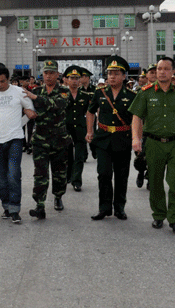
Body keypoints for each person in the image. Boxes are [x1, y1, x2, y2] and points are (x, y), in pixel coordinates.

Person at [129, 57, 175, 235]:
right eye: (159, 69)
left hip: (174, 144)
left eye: (166, 69)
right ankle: (158, 214)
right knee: (155, 181)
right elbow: (136, 117)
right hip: (154, 143)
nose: (162, 72)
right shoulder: (145, 92)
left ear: (173, 72)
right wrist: (136, 138)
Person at [0, 63, 36, 224]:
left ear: (9, 80)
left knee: (13, 175)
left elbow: (31, 113)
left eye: (3, 82)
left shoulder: (19, 92)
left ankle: (14, 208)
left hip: (15, 140)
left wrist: (18, 125)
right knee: (0, 178)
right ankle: (5, 205)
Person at [86, 56, 136, 221]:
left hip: (123, 139)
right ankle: (104, 208)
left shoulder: (131, 95)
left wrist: (137, 138)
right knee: (104, 174)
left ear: (124, 76)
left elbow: (137, 118)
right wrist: (90, 131)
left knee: (122, 176)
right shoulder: (100, 93)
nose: (112, 76)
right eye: (109, 73)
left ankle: (119, 208)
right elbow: (90, 112)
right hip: (103, 139)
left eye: (116, 73)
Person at [22, 60, 71, 220]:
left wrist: (35, 98)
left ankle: (58, 196)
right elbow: (26, 106)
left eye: (52, 73)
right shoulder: (36, 90)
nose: (48, 76)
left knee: (59, 172)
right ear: (42, 75)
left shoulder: (64, 91)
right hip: (40, 140)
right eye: (46, 73)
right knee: (40, 174)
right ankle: (40, 205)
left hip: (59, 140)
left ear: (58, 75)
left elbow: (57, 105)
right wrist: (27, 109)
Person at [63, 65, 93, 193]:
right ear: (66, 80)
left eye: (76, 78)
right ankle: (68, 176)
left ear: (80, 80)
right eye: (72, 78)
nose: (74, 81)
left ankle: (77, 181)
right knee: (68, 154)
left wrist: (89, 131)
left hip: (81, 128)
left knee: (79, 156)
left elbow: (89, 113)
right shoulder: (62, 94)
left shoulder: (85, 96)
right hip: (66, 128)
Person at [133, 64, 157, 190]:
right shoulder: (139, 92)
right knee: (141, 157)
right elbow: (135, 115)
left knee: (155, 158)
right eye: (151, 72)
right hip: (142, 131)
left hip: (156, 131)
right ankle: (141, 172)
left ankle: (150, 178)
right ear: (146, 75)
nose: (153, 74)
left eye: (155, 72)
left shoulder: (163, 90)